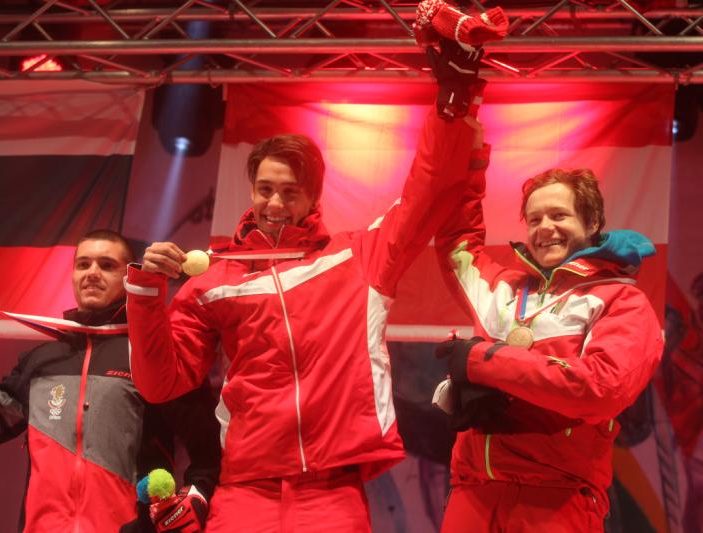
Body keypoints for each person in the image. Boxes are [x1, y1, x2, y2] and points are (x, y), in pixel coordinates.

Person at [121, 7, 511, 525]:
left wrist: (454, 96)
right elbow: (161, 384)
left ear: (313, 198)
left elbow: (428, 189)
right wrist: (146, 292)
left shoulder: (357, 257)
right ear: (251, 191)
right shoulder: (215, 279)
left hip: (331, 488)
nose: (275, 203)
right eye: (265, 189)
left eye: (290, 191)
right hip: (244, 486)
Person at [431, 118, 664, 530]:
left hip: (556, 497)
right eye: (535, 219)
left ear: (592, 224)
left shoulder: (622, 301)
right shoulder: (501, 289)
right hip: (473, 492)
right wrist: (470, 158)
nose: (545, 229)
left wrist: (484, 361)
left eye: (559, 215)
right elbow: (455, 240)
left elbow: (599, 390)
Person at [0, 229, 221, 533]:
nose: (92, 273)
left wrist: (196, 497)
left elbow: (209, 450)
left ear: (128, 277)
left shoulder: (151, 355)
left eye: (107, 265)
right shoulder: (42, 360)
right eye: (83, 264)